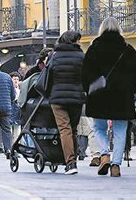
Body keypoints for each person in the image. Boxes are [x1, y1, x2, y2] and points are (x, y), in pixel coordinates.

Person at [82, 17, 136, 177]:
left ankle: (104, 154)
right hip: (121, 97)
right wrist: (129, 90)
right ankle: (116, 165)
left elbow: (85, 73)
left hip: (99, 96)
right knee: (120, 131)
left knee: (98, 128)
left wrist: (89, 89)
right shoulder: (127, 50)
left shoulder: (94, 49)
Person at [47, 31, 86, 175]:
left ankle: (70, 163)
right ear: (74, 41)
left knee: (64, 129)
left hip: (57, 98)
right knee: (73, 129)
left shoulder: (54, 56)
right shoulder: (82, 56)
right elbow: (86, 77)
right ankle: (73, 160)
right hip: (76, 98)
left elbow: (48, 77)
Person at [10, 72, 22, 145]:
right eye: (14, 79)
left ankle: (16, 146)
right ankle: (10, 147)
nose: (16, 81)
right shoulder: (8, 89)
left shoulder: (20, 90)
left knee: (17, 132)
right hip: (10, 111)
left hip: (18, 112)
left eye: (17, 79)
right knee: (9, 131)